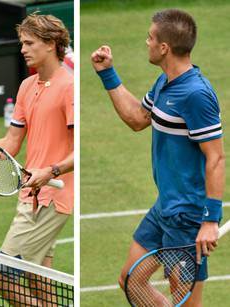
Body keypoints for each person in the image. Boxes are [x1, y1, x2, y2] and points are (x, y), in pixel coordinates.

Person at [91, 9, 224, 306]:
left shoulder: (196, 94)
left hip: (189, 216)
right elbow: (138, 119)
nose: (146, 42)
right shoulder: (164, 82)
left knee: (186, 302)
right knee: (130, 281)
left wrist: (210, 220)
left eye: (150, 38)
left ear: (164, 47)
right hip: (165, 206)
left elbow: (216, 158)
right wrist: (107, 73)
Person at [0, 13, 74, 305]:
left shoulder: (70, 87)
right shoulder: (27, 86)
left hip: (51, 197)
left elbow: (80, 150)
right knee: (38, 279)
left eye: (29, 43)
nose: (22, 49)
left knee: (2, 276)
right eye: (22, 43)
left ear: (50, 44)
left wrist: (50, 172)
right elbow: (11, 143)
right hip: (31, 194)